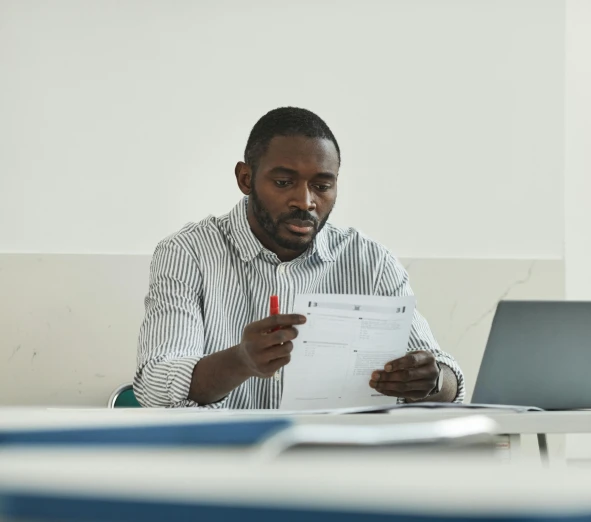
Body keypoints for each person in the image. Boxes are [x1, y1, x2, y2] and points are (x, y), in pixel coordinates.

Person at [135, 107, 464, 408]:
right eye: (283, 182)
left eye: (322, 185)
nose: (305, 201)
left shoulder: (371, 262)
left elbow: (446, 380)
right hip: (221, 463)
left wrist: (431, 379)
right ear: (245, 179)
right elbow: (154, 385)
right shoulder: (187, 253)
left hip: (336, 461)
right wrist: (242, 361)